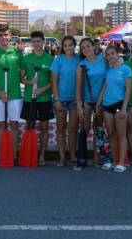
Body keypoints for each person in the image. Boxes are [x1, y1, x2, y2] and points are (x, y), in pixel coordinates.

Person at [0, 24, 23, 164]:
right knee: (0, 126)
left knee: (14, 125)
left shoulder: (17, 53)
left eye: (6, 34)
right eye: (0, 35)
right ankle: (1, 156)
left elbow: (24, 72)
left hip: (15, 95)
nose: (3, 38)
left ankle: (13, 156)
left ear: (10, 35)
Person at [20, 31, 54, 166]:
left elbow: (53, 81)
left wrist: (42, 89)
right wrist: (30, 82)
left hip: (44, 99)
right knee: (30, 126)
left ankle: (42, 155)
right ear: (31, 43)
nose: (36, 44)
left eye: (39, 41)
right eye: (34, 42)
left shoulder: (50, 59)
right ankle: (30, 153)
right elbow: (21, 79)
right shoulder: (26, 59)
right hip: (30, 98)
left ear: (43, 42)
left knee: (44, 127)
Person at [96, 45, 132, 172]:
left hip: (119, 105)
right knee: (110, 134)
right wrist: (98, 104)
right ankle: (110, 160)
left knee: (121, 135)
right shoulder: (108, 71)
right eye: (108, 54)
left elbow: (128, 89)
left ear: (118, 54)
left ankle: (121, 162)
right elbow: (104, 88)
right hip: (106, 106)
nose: (110, 56)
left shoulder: (126, 69)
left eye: (112, 53)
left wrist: (124, 108)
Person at [75, 38, 107, 170]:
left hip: (102, 101)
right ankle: (82, 156)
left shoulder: (104, 61)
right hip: (88, 102)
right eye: (83, 48)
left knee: (98, 129)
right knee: (85, 128)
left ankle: (96, 156)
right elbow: (78, 89)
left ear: (94, 46)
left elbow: (108, 80)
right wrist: (78, 107)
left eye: (88, 46)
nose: (86, 49)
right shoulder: (81, 65)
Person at [50, 35, 80, 166]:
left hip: (75, 99)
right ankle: (62, 157)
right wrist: (56, 99)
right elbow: (54, 81)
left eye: (70, 45)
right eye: (65, 45)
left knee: (73, 129)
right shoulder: (58, 60)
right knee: (61, 128)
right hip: (60, 99)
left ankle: (73, 155)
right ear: (62, 47)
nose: (68, 47)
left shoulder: (79, 59)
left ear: (74, 46)